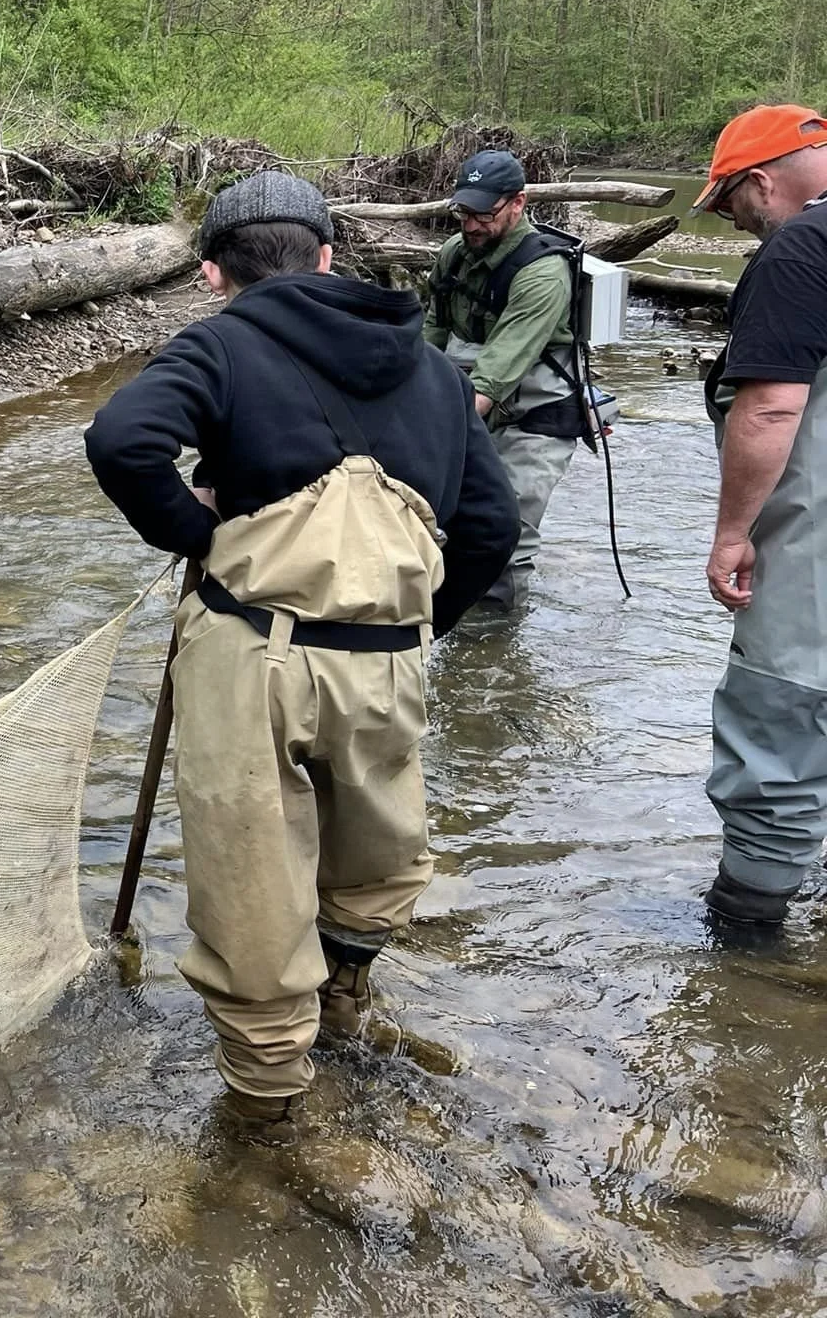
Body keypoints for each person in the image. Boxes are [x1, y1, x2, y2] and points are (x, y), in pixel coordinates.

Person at [84, 172, 517, 1137]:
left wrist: (197, 536)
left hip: (255, 658)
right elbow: (493, 526)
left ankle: (266, 1109)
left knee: (251, 881)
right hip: (389, 662)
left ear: (212, 273)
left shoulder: (220, 345)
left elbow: (122, 442)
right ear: (326, 255)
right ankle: (346, 1004)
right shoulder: (434, 369)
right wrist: (411, 631)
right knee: (374, 851)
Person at [694, 104, 827, 930]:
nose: (737, 223)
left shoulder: (803, 246)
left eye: (731, 205)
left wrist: (732, 533)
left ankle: (747, 936)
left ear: (761, 182)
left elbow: (774, 405)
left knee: (780, 715)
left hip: (813, 545)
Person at [423, 148, 582, 608]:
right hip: (475, 404)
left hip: (536, 417)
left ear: (518, 203)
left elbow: (494, 376)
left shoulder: (543, 275)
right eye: (463, 213)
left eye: (484, 214)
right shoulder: (454, 254)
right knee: (447, 525)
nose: (472, 225)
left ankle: (496, 636)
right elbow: (431, 334)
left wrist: (430, 433)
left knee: (504, 532)